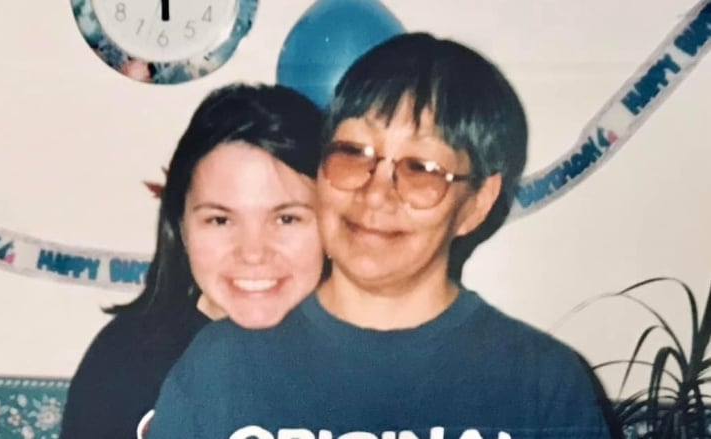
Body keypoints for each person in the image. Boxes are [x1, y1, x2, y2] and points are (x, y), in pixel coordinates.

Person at [147, 32, 615, 439]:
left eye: (420, 168)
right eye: (354, 153)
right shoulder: (221, 369)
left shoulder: (541, 384)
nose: (376, 194)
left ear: (475, 203)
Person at [59, 83, 326, 439]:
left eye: (286, 218)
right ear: (181, 226)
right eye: (220, 220)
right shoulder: (124, 360)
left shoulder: (381, 359)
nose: (252, 252)